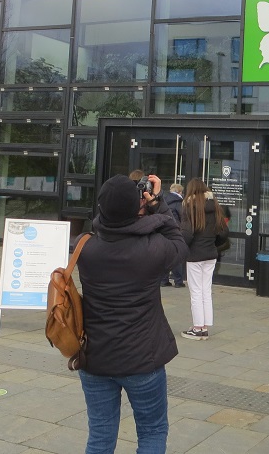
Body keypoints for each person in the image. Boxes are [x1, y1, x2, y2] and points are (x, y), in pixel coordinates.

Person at [76, 173, 188, 453]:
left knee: (100, 435)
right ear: (137, 206)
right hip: (142, 359)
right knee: (152, 431)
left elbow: (107, 224)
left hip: (95, 356)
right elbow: (178, 241)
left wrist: (133, 209)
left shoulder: (85, 247)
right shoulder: (151, 249)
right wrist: (158, 204)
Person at [180, 178, 224, 340]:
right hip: (210, 254)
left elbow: (187, 234)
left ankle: (198, 328)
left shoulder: (189, 206)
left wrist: (180, 247)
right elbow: (223, 232)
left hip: (195, 255)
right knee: (206, 290)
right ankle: (204, 325)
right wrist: (213, 244)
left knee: (196, 291)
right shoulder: (215, 206)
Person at [161, 183, 186, 287]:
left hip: (163, 230)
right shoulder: (178, 202)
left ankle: (164, 280)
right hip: (175, 231)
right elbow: (183, 217)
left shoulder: (163, 200)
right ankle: (178, 281)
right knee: (176, 255)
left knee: (165, 255)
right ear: (179, 192)